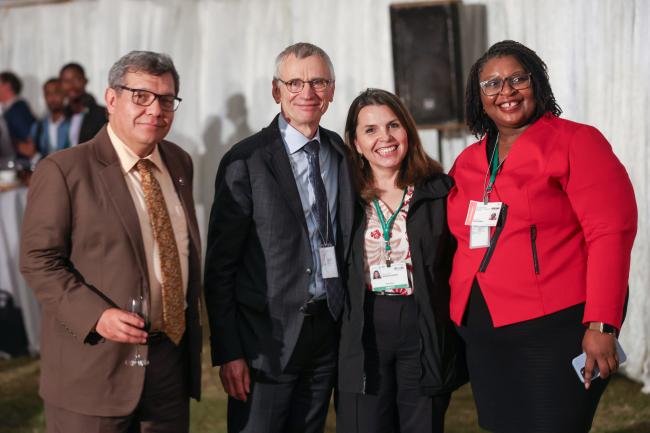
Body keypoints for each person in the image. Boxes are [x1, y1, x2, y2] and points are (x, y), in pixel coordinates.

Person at [447, 40, 637, 433]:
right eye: (492, 84)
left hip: (555, 328)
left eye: (518, 79)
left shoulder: (577, 142)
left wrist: (602, 324)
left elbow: (610, 233)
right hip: (483, 334)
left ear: (538, 83)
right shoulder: (468, 161)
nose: (507, 92)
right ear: (477, 96)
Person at [20, 50, 202, 433]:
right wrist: (96, 315)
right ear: (111, 99)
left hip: (168, 364)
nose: (155, 109)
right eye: (141, 96)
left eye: (166, 99)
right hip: (93, 371)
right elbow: (39, 260)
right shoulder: (63, 170)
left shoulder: (179, 162)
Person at [204, 42, 353, 433]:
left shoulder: (341, 152)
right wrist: (229, 352)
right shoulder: (246, 160)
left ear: (332, 90)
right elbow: (220, 267)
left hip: (327, 331)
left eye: (318, 82)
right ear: (277, 91)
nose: (308, 92)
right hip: (264, 342)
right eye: (295, 83)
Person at [337, 88, 467, 433]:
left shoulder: (439, 190)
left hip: (421, 321)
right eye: (371, 130)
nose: (385, 137)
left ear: (407, 129)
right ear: (355, 142)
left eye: (393, 125)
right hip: (364, 325)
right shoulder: (342, 195)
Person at [59, 62, 107, 146]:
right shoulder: (61, 116)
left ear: (85, 81)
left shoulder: (102, 114)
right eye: (66, 81)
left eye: (76, 79)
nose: (71, 85)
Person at [29, 78, 71, 159]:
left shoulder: (73, 122)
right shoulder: (38, 126)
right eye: (47, 94)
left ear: (64, 94)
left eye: (56, 93)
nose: (52, 98)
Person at [0, 71, 36, 161]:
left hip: (20, 168)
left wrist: (6, 141)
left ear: (7, 86)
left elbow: (30, 149)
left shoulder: (17, 110)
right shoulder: (14, 109)